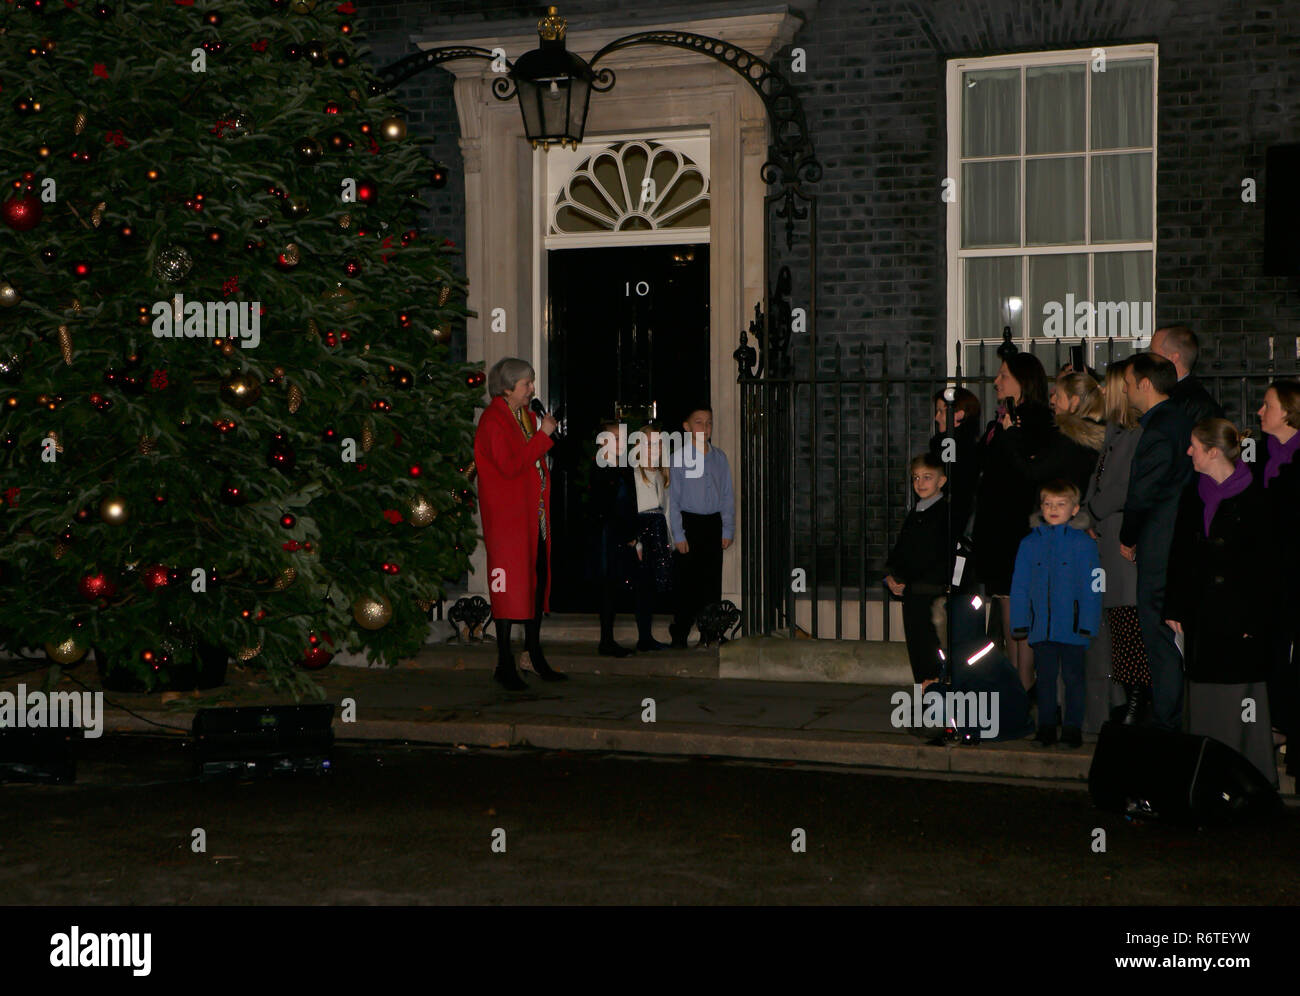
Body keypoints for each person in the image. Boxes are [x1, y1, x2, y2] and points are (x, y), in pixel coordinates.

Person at [1165, 419, 1276, 786]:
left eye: (1194, 445)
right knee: (1205, 697)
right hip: (1203, 617)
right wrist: (1176, 608)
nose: (1188, 452)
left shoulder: (1255, 497)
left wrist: (1254, 622)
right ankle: (1206, 778)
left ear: (1213, 452)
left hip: (1239, 619)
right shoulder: (1193, 494)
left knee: (1240, 699)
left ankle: (1246, 780)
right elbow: (1180, 555)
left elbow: (1265, 568)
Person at [474, 357, 564, 690]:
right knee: (509, 589)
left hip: (533, 517)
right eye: (526, 384)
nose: (532, 389)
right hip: (508, 519)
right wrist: (542, 436)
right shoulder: (493, 420)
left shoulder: (525, 416)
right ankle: (504, 661)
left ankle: (532, 653)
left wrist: (542, 434)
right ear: (508, 387)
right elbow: (511, 466)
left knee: (534, 584)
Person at [1119, 353, 1195, 730]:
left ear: (1146, 384)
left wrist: (1128, 536)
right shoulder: (1179, 420)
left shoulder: (1161, 428)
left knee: (1158, 633)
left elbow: (1143, 493)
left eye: (1131, 384)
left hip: (1159, 541)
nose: (1128, 391)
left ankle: (1168, 720)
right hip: (1173, 539)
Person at [972, 353, 1051, 690]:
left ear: (1023, 380)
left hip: (1017, 523)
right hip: (995, 523)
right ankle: (1017, 682)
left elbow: (1026, 474)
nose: (996, 381)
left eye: (1004, 375)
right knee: (1004, 599)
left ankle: (1024, 683)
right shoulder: (1001, 421)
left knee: (1018, 601)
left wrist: (1007, 436)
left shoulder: (1034, 421)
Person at [1082, 358, 1149, 725]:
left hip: (1121, 540)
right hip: (1105, 538)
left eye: (1110, 385)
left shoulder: (1135, 436)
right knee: (1115, 621)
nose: (1104, 392)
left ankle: (1137, 701)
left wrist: (1090, 512)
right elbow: (1099, 478)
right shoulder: (1114, 432)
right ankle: (1125, 698)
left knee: (1128, 618)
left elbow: (1120, 488)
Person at [1010, 480, 1102, 748]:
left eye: (1060, 504)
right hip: (1042, 628)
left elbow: (1093, 586)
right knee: (1045, 680)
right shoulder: (1029, 543)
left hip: (1073, 627)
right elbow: (1020, 585)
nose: (1053, 509)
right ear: (1041, 507)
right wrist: (1020, 622)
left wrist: (1088, 623)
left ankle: (1072, 728)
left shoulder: (1083, 544)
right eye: (1048, 504)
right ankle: (1046, 727)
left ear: (1074, 509)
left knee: (1074, 679)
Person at [1251, 380, 1300, 772]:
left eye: (1266, 405)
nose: (1259, 412)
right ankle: (1279, 722)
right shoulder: (1265, 453)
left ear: (1287, 412)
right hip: (1271, 567)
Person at [668, 404, 735, 648]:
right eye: (699, 422)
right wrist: (678, 533)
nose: (705, 427)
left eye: (709, 423)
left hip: (712, 523)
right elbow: (673, 499)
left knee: (711, 581)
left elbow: (727, 495)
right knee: (686, 581)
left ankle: (711, 632)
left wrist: (727, 529)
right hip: (689, 523)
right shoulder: (678, 459)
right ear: (686, 427)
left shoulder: (720, 458)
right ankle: (680, 633)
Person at [884, 453, 951, 684]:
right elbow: (902, 550)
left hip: (931, 593)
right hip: (913, 592)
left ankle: (936, 696)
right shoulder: (918, 512)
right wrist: (891, 576)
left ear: (941, 481)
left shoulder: (944, 513)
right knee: (917, 648)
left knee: (933, 648)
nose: (920, 483)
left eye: (927, 477)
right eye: (916, 478)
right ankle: (925, 695)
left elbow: (938, 556)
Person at [590, 420, 639, 658]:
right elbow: (601, 504)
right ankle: (605, 640)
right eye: (615, 438)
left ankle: (609, 638)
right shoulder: (600, 467)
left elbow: (630, 502)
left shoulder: (624, 466)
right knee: (607, 583)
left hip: (619, 533)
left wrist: (631, 534)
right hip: (605, 533)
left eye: (622, 439)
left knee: (616, 584)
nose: (621, 443)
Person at [630, 422, 675, 651]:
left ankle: (646, 636)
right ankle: (643, 637)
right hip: (643, 531)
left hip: (658, 532)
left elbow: (665, 511)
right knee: (642, 586)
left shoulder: (661, 475)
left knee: (651, 586)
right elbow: (633, 508)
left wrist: (671, 542)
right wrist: (637, 543)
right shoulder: (636, 474)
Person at [929, 387, 981, 538]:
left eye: (941, 411)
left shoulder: (947, 443)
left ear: (958, 416)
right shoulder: (973, 445)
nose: (936, 417)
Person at [1150, 325, 1223, 425]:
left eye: (1154, 355)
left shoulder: (1197, 405)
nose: (1149, 361)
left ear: (1173, 358)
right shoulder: (1177, 395)